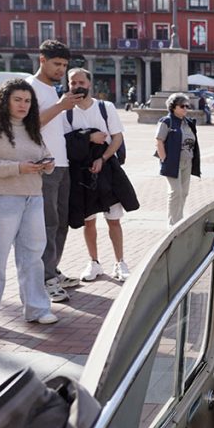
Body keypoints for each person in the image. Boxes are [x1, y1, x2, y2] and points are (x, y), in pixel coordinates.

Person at [0, 78, 59, 333]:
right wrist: (17, 168)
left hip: (33, 196)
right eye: (17, 99)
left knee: (32, 256)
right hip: (1, 198)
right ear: (4, 100)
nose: (23, 105)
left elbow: (44, 152)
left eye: (28, 101)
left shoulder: (31, 128)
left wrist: (47, 163)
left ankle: (37, 308)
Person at [62, 68, 137, 282]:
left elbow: (116, 138)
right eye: (72, 82)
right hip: (81, 172)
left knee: (114, 219)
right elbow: (66, 142)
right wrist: (88, 137)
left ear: (89, 84)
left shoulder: (105, 107)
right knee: (89, 221)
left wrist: (102, 158)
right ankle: (93, 262)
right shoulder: (66, 111)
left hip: (107, 169)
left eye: (81, 82)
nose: (77, 86)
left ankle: (120, 262)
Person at [29, 39, 80, 303]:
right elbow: (31, 125)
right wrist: (60, 106)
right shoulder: (30, 87)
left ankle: (52, 270)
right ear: (42, 60)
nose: (61, 69)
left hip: (62, 164)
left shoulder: (53, 89)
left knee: (61, 222)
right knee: (47, 224)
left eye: (64, 65)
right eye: (56, 64)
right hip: (45, 165)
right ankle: (45, 279)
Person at [156, 93, 201, 227]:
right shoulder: (166, 121)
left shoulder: (188, 122)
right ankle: (173, 224)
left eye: (187, 106)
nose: (185, 109)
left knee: (184, 192)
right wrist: (164, 159)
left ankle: (179, 219)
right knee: (176, 192)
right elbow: (159, 141)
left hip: (188, 161)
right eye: (182, 106)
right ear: (173, 107)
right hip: (173, 162)